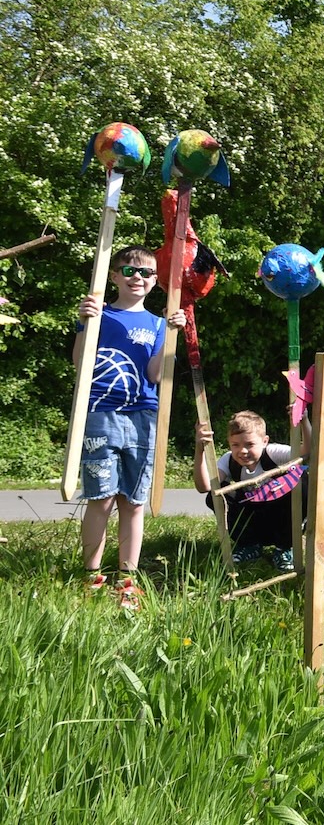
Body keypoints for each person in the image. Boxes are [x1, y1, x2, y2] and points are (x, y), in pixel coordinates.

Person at [73, 246, 185, 611]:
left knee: (133, 503)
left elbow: (155, 374)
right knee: (101, 498)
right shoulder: (99, 315)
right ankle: (91, 577)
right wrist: (83, 324)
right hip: (101, 414)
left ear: (155, 282)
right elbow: (81, 365)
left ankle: (127, 579)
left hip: (143, 418)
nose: (138, 277)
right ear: (115, 276)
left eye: (147, 273)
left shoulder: (156, 324)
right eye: (130, 270)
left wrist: (171, 336)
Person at [195, 411, 307, 574]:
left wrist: (304, 423)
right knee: (215, 496)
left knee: (302, 480)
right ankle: (249, 545)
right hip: (254, 520)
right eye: (236, 445)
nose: (243, 451)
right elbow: (204, 486)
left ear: (264, 441)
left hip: (281, 519)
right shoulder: (228, 460)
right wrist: (199, 451)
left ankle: (284, 548)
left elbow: (306, 453)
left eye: (249, 444)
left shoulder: (273, 453)